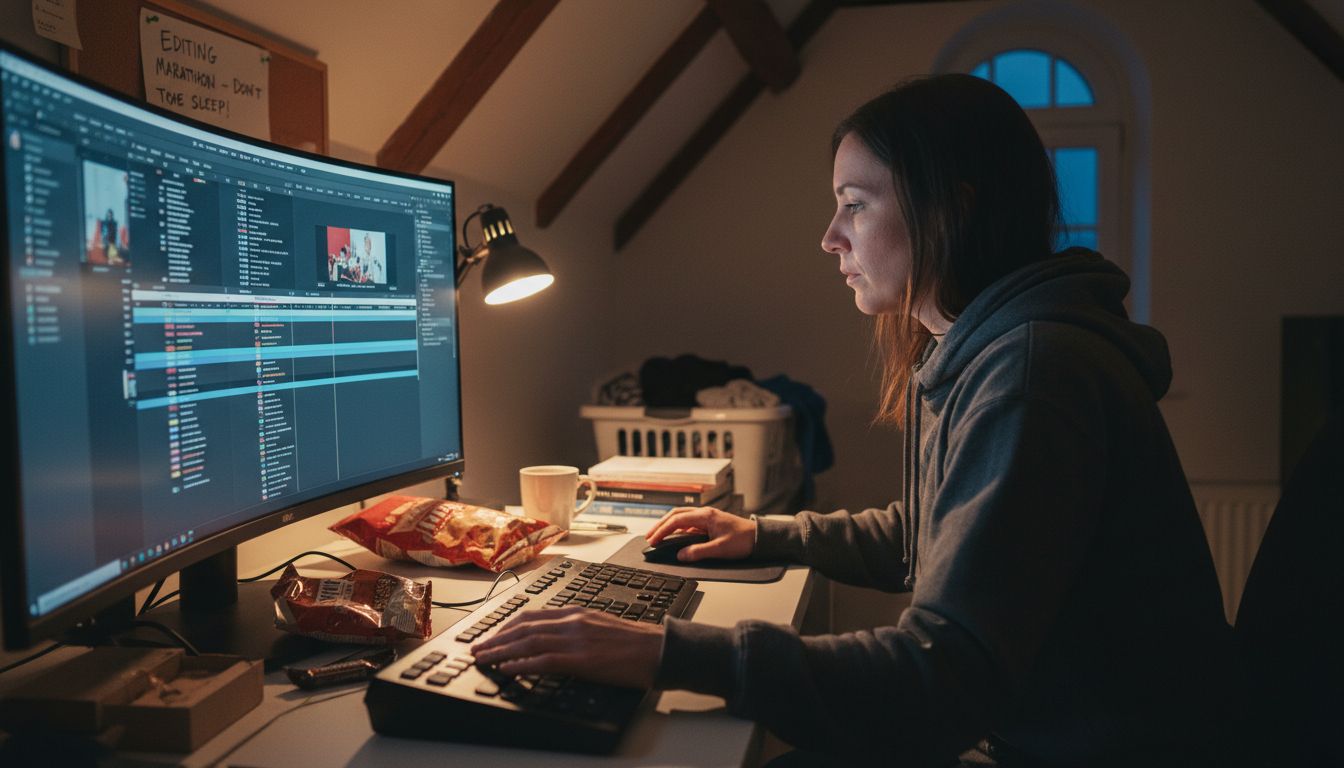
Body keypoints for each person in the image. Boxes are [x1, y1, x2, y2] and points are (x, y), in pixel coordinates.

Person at [472, 74, 1240, 766]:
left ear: (952, 207)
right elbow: (927, 532)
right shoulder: (992, 344)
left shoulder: (1032, 373)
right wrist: (768, 534)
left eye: (855, 204)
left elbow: (941, 680)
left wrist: (665, 652)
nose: (830, 237)